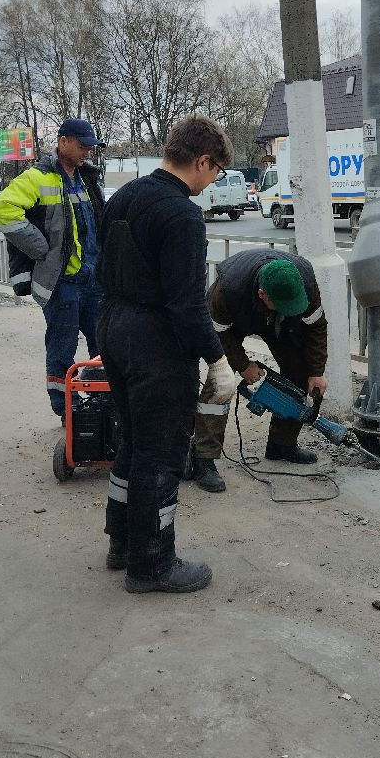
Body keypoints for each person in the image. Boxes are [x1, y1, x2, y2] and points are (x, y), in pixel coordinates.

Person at [97, 115, 239, 594]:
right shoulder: (180, 215)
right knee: (160, 453)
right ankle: (152, 563)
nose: (214, 180)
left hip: (112, 328)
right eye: (216, 170)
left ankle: (122, 542)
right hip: (155, 342)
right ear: (201, 161)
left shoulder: (125, 197)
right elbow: (186, 303)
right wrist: (217, 361)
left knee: (133, 442)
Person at [0, 118, 105, 421]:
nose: (86, 153)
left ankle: (101, 400)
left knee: (104, 343)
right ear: (63, 141)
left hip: (93, 281)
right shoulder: (37, 177)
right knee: (62, 348)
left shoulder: (87, 178)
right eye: (82, 146)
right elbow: (2, 211)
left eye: (90, 147)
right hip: (62, 283)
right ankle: (66, 409)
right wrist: (40, 248)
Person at [191, 249, 328, 491]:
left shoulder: (304, 281)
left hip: (277, 322)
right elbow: (217, 334)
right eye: (284, 305)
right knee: (220, 383)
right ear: (263, 295)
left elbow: (315, 326)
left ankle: (281, 445)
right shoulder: (227, 291)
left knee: (299, 372)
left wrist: (316, 371)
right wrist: (242, 365)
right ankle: (204, 458)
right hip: (232, 324)